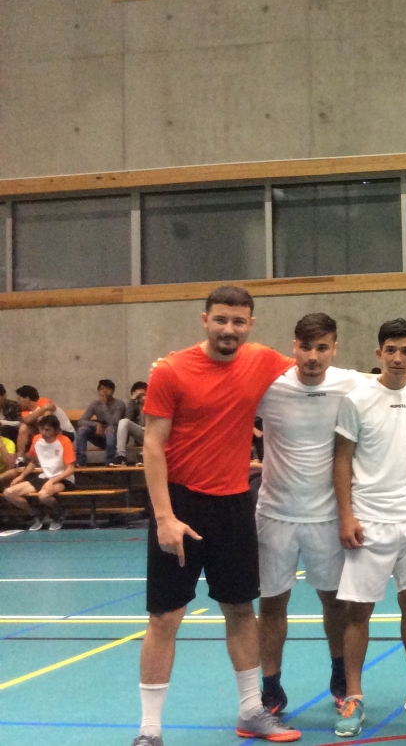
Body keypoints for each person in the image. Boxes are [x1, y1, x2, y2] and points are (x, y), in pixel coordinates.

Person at [133, 285, 299, 746]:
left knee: (241, 610)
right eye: (221, 319)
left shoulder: (261, 359)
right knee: (165, 617)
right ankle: (149, 729)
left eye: (239, 321)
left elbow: (324, 375)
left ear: (251, 324)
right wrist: (164, 516)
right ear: (204, 319)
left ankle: (251, 712)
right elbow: (152, 444)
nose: (230, 329)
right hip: (181, 505)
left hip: (233, 504)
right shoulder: (171, 370)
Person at [332, 317, 406, 737]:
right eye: (391, 350)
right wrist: (347, 515)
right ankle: (354, 696)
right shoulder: (357, 400)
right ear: (379, 353)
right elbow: (342, 460)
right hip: (369, 521)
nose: (398, 358)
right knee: (358, 612)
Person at [254, 313, 369, 716]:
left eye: (322, 347)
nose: (313, 356)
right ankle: (271, 689)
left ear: (334, 348)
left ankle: (340, 676)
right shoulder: (269, 386)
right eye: (306, 347)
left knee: (334, 603)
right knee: (271, 605)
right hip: (274, 514)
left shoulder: (351, 383)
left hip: (327, 517)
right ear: (294, 347)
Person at [3, 413, 76, 531]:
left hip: (63, 478)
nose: (43, 433)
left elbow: (70, 469)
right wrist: (21, 476)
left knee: (43, 495)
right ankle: (38, 514)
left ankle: (59, 514)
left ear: (56, 430)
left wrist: (52, 481)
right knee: (8, 493)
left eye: (47, 430)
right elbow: (33, 462)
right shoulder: (37, 439)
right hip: (43, 477)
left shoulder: (64, 441)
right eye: (41, 429)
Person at [73, 378, 127, 465]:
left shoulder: (119, 404)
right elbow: (81, 421)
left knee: (109, 429)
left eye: (108, 389)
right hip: (100, 435)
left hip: (116, 437)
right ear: (98, 391)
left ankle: (110, 462)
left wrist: (104, 405)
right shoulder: (95, 404)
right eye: (102, 389)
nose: (104, 391)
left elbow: (113, 422)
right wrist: (96, 424)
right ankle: (81, 461)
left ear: (113, 391)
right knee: (82, 429)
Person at [13, 386, 74, 459]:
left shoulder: (42, 401)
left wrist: (41, 412)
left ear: (27, 399)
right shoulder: (25, 411)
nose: (18, 402)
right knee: (24, 427)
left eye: (19, 399)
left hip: (65, 433)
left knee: (46, 425)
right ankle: (20, 459)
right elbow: (27, 420)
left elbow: (48, 416)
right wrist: (44, 408)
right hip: (45, 433)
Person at [118, 382, 149, 462]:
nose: (142, 398)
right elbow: (128, 418)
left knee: (143, 413)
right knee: (123, 421)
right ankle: (121, 455)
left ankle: (143, 455)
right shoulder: (135, 405)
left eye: (144, 394)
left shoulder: (156, 403)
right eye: (139, 396)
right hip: (142, 434)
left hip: (154, 435)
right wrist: (132, 400)